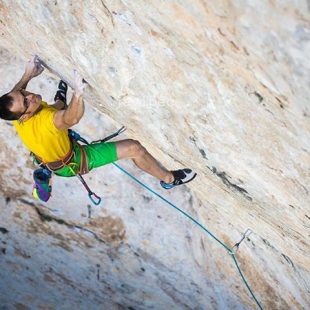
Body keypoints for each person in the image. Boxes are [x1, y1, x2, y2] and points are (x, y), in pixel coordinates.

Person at [0, 56, 196, 198]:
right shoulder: (46, 122)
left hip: (48, 151)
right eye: (26, 102)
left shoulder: (16, 112)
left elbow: (15, 93)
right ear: (24, 115)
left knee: (57, 106)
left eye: (24, 93)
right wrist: (78, 94)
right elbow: (71, 118)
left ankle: (45, 167)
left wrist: (27, 74)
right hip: (73, 161)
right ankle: (169, 180)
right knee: (134, 148)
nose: (30, 96)